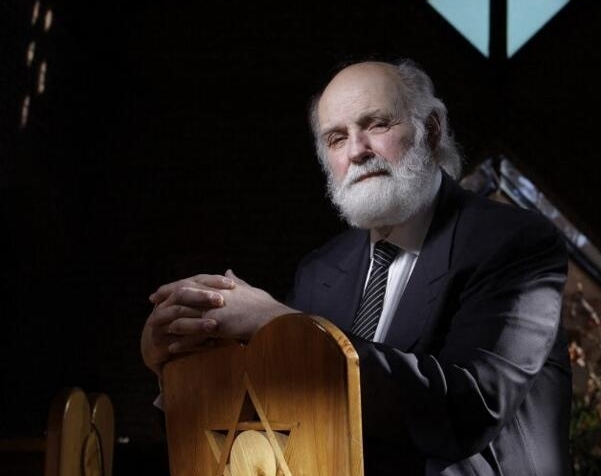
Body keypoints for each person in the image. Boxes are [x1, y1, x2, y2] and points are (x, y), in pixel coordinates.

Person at [140, 58, 572, 475]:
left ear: (432, 129)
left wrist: (282, 324)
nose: (358, 151)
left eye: (377, 124)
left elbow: (469, 409)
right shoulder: (320, 269)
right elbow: (278, 415)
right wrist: (181, 363)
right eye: (336, 138)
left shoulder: (514, 242)